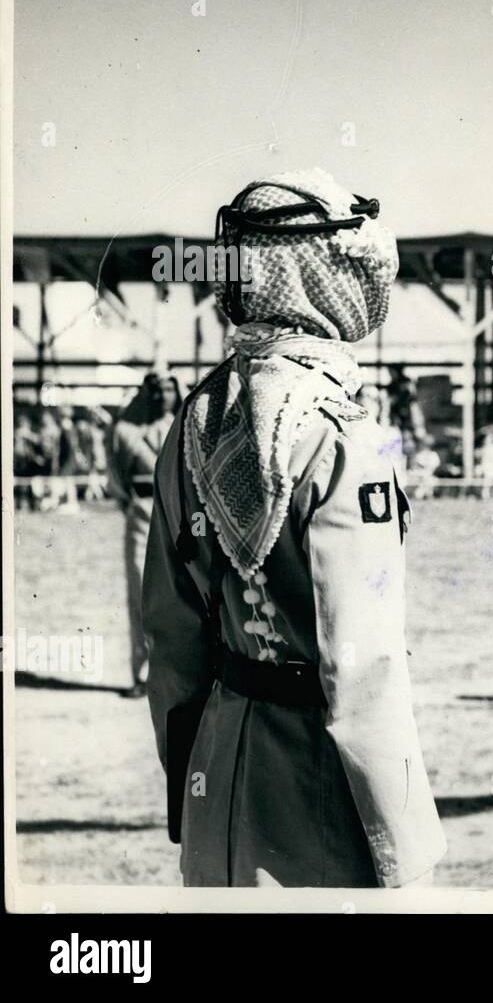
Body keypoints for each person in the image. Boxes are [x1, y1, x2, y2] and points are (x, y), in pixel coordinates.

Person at [143, 168, 445, 887]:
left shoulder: (195, 420)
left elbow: (173, 641)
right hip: (319, 796)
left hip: (218, 775)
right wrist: (406, 853)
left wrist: (192, 792)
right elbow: (363, 668)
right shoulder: (346, 435)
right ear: (316, 278)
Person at [108, 371, 183, 696]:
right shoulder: (126, 431)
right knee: (140, 591)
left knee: (180, 595)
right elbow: (115, 471)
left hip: (179, 514)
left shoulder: (186, 424)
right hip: (142, 510)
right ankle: (143, 674)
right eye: (154, 388)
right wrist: (127, 502)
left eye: (168, 388)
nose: (161, 394)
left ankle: (178, 674)